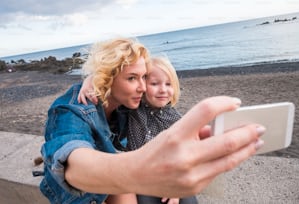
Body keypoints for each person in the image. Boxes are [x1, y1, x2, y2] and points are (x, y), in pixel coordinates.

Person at [39, 37, 265, 204]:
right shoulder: (70, 110)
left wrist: (92, 77)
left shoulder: (130, 101)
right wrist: (144, 170)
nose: (142, 86)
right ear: (107, 78)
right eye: (132, 78)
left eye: (144, 77)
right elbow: (73, 166)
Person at [79, 56, 198, 204]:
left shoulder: (176, 120)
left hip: (169, 177)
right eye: (154, 83)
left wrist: (176, 189)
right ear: (143, 85)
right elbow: (107, 77)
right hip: (141, 178)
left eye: (169, 84)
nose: (163, 90)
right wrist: (88, 83)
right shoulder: (134, 107)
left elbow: (184, 157)